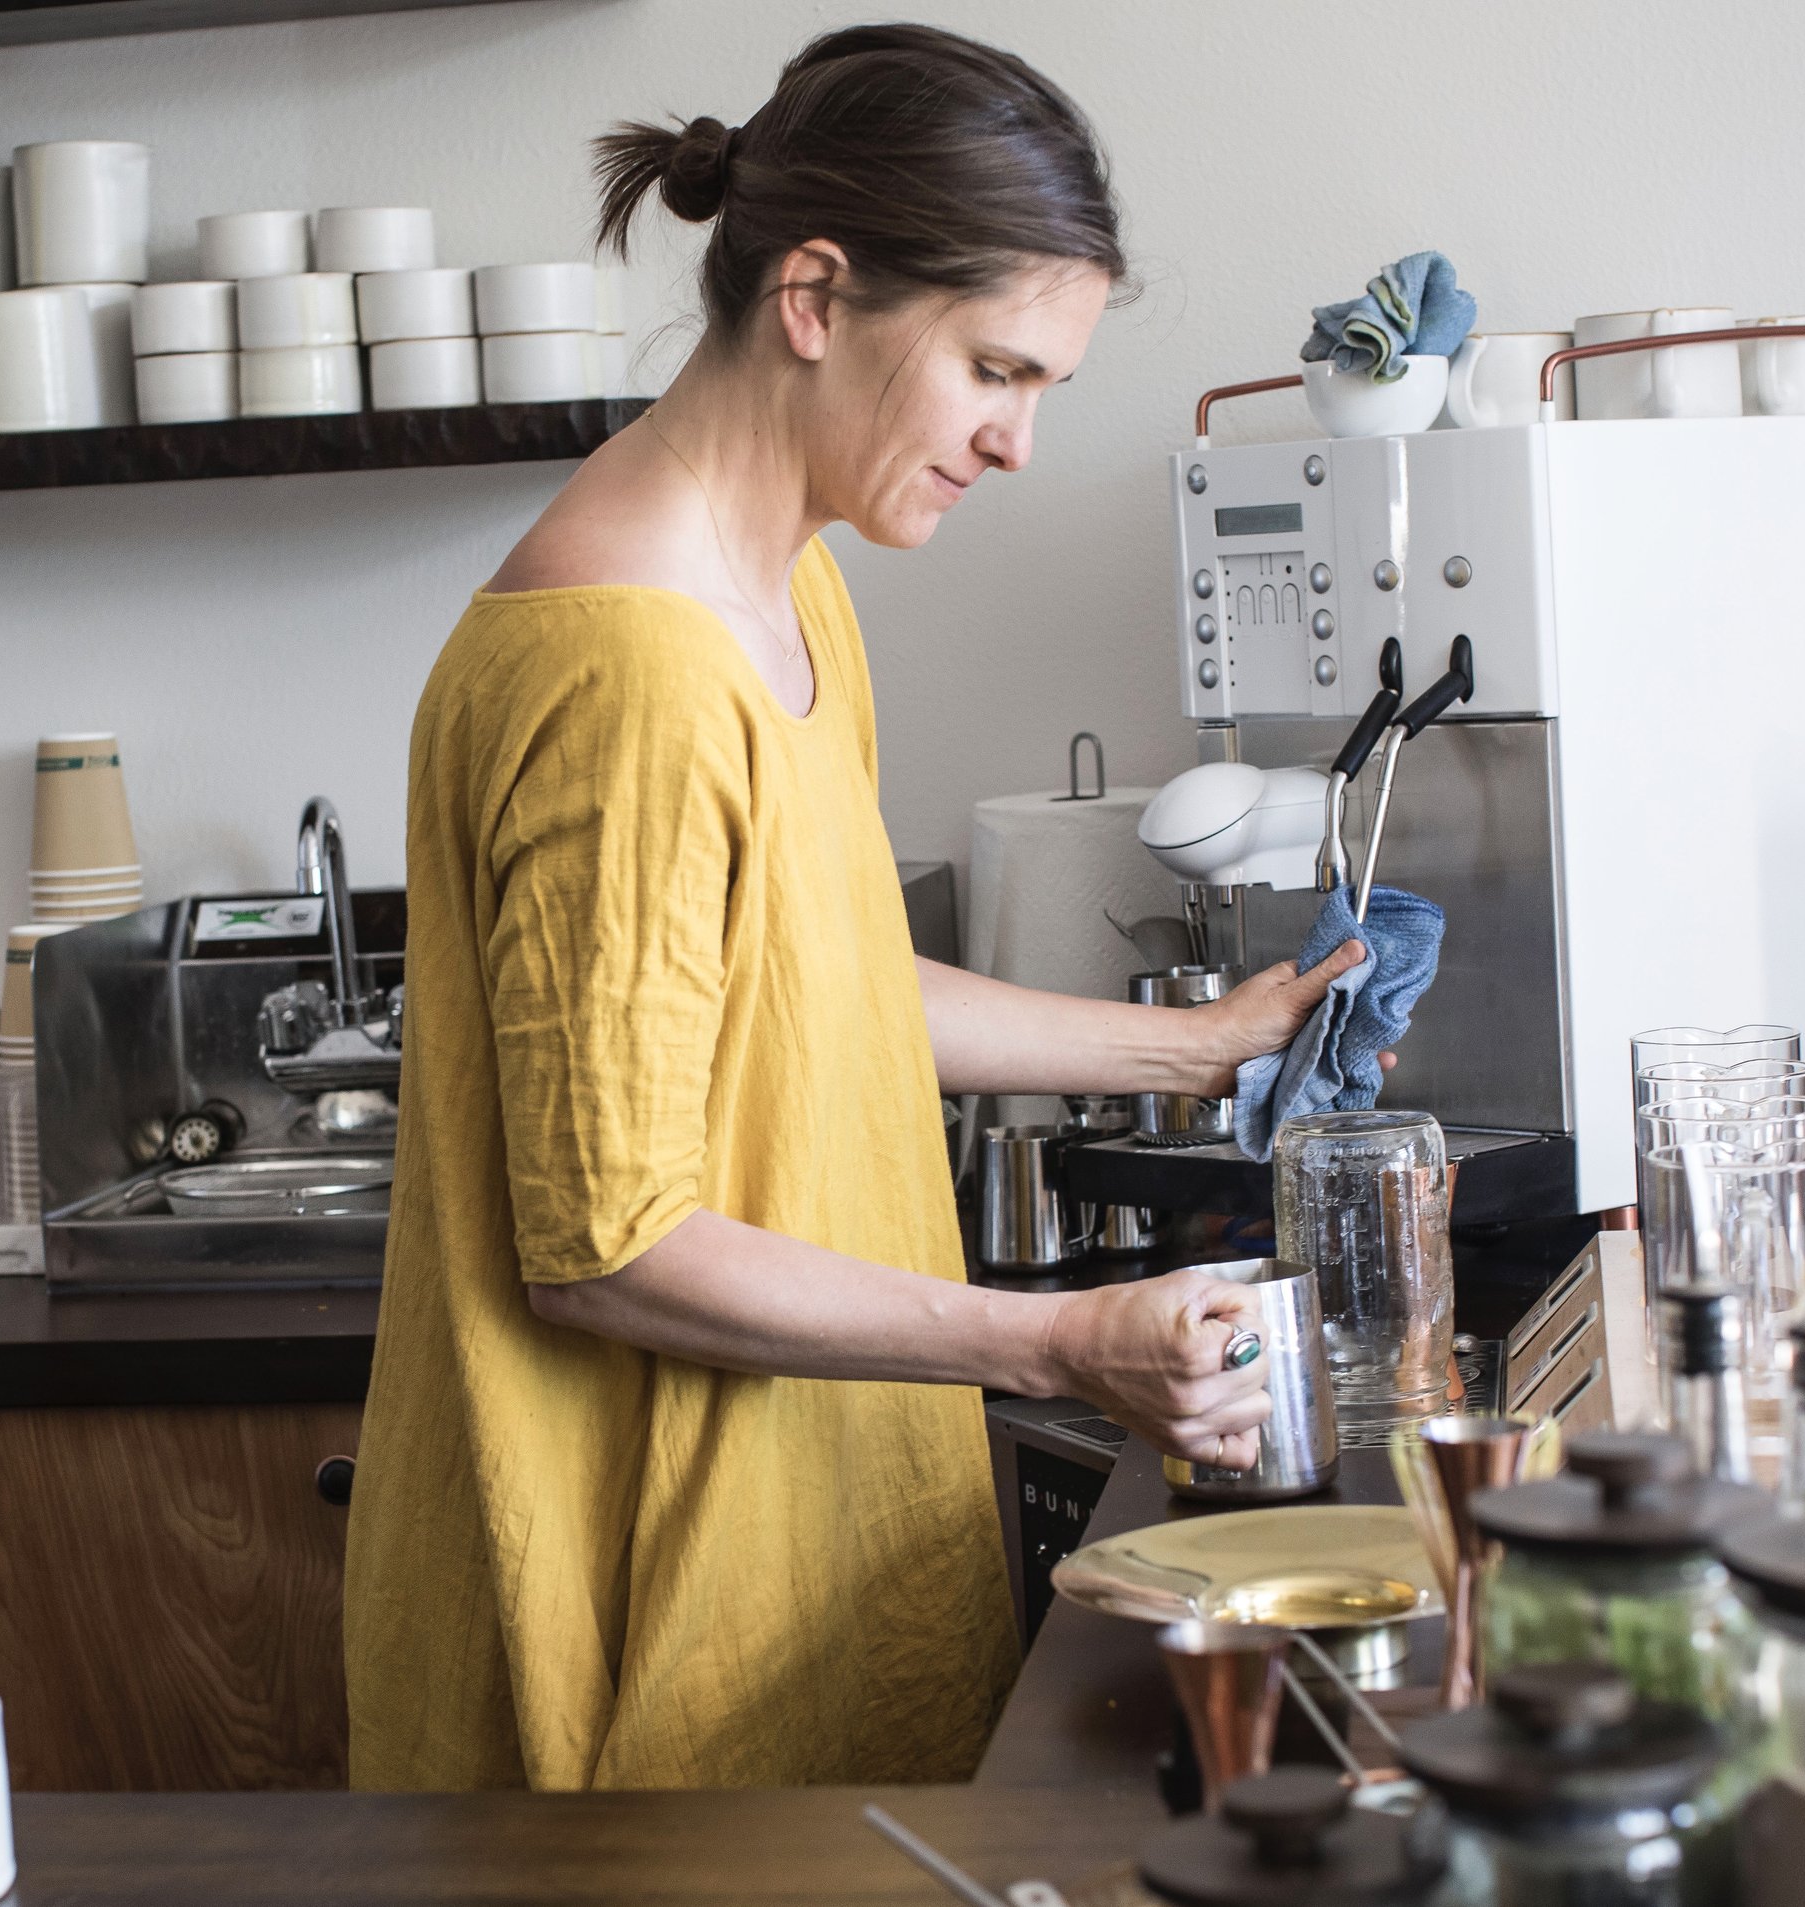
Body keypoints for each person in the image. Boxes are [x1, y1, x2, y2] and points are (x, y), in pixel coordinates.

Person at [344, 23, 1372, 1792]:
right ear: (815, 294)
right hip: (634, 1618)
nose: (1020, 442)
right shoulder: (633, 676)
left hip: (801, 1557)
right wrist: (1052, 1340)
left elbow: (812, 984)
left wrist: (1196, 1049)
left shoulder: (794, 589)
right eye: (996, 368)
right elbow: (610, 1245)